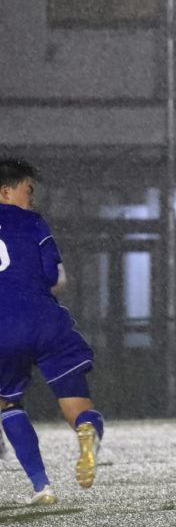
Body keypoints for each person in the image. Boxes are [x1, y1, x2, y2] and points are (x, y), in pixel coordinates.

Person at [0, 158, 104, 504]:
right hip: (45, 320)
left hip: (2, 327)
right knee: (77, 402)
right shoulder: (33, 222)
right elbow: (53, 277)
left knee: (7, 402)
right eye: (28, 191)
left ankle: (42, 487)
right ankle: (87, 431)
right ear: (6, 191)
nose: (32, 199)